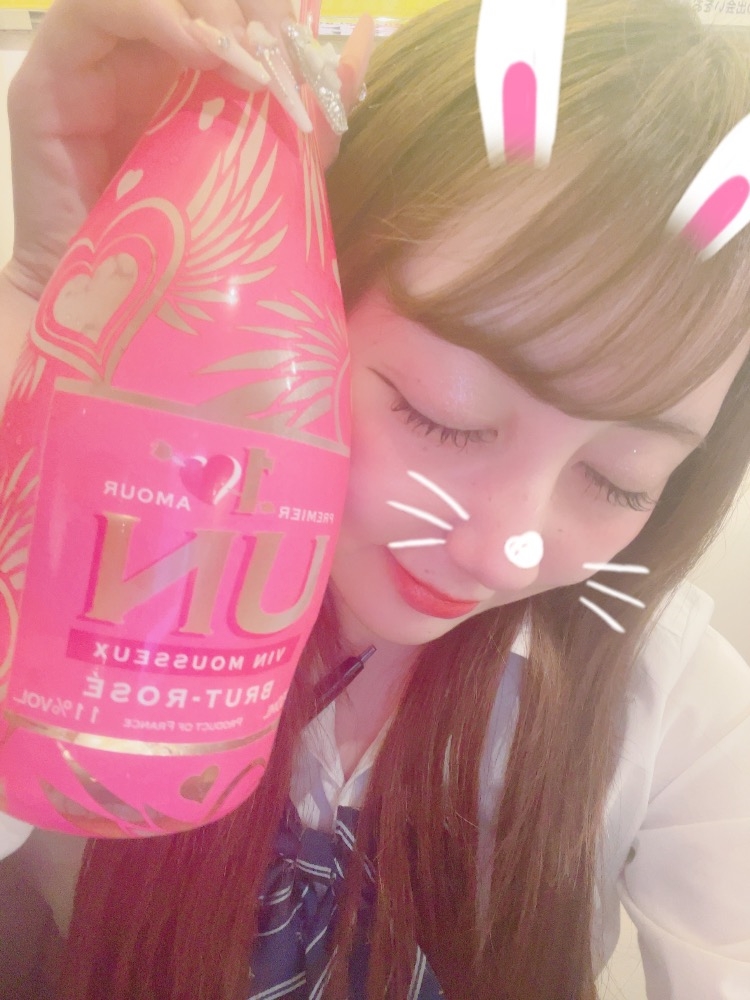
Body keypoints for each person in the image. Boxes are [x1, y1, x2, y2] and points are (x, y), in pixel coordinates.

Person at [1, 0, 749, 998]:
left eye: (620, 478)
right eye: (444, 416)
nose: (504, 549)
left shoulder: (673, 704)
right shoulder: (111, 560)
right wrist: (58, 322)